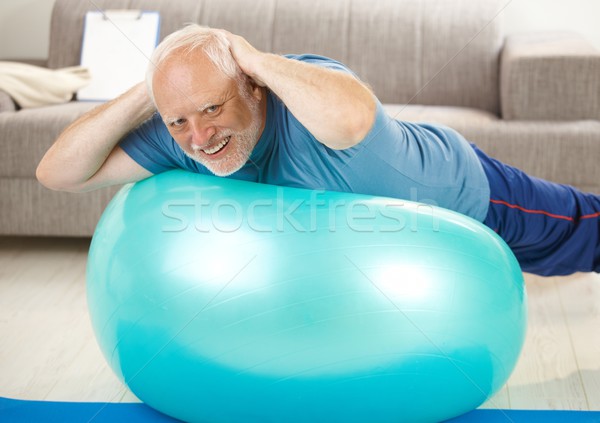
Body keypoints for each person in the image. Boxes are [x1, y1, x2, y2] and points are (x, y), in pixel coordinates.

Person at [36, 24, 600, 277]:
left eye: (212, 109)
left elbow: (352, 116)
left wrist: (250, 59)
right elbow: (57, 175)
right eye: (178, 120)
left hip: (467, 196)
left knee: (581, 237)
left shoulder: (305, 90)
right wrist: (150, 90)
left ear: (254, 87)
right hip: (388, 261)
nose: (200, 139)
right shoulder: (184, 135)